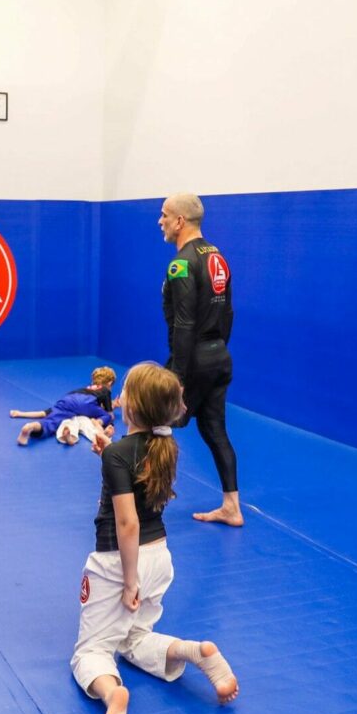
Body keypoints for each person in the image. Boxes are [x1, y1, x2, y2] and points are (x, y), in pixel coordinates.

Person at [71, 362, 239, 714]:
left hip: (119, 562)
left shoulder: (119, 452)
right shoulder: (164, 446)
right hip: (159, 558)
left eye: (125, 390)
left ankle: (114, 698)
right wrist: (106, 456)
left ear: (133, 407)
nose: (120, 395)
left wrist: (129, 581)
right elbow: (137, 481)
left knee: (91, 651)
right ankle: (192, 651)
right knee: (134, 637)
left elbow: (127, 523)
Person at [157, 193, 243, 526]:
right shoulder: (216, 255)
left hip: (192, 360)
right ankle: (232, 507)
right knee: (213, 429)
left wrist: (176, 376)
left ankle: (143, 504)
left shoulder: (181, 263)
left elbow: (184, 322)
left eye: (165, 215)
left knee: (155, 422)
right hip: (219, 356)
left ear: (180, 221)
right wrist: (216, 350)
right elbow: (229, 311)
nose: (160, 221)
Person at [11, 366, 117, 446]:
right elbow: (108, 412)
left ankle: (32, 426)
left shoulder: (86, 388)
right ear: (110, 383)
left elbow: (43, 412)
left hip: (68, 399)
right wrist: (108, 419)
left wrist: (20, 413)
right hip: (87, 403)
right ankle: (98, 423)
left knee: (51, 421)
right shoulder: (105, 390)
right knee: (107, 417)